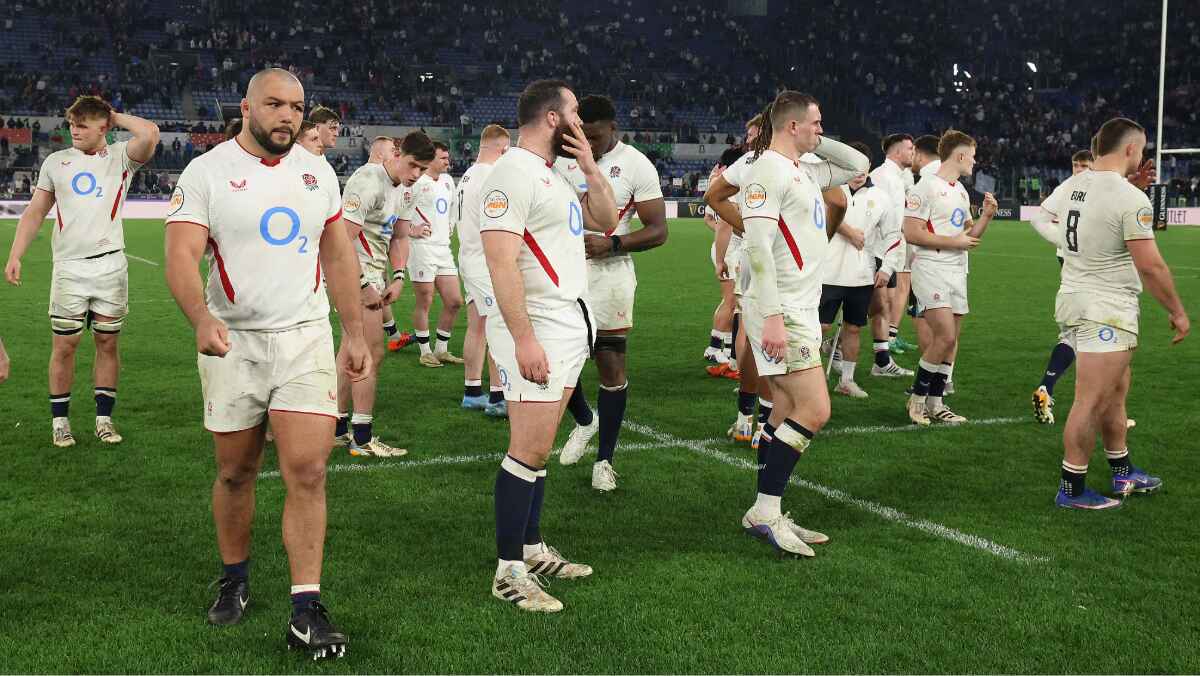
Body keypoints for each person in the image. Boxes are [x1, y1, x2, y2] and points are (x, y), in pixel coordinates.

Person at [163, 68, 367, 658]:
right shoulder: (207, 173)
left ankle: (306, 607)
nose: (286, 116)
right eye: (274, 104)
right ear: (247, 105)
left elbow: (338, 254)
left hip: (304, 338)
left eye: (296, 106)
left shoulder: (317, 172)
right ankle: (235, 577)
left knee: (308, 470)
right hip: (235, 342)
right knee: (235, 472)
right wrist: (201, 318)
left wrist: (354, 330)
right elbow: (180, 254)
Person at [480, 79, 616, 612]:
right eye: (576, 113)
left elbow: (605, 221)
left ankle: (531, 549)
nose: (583, 122)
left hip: (565, 323)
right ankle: (508, 571)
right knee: (528, 450)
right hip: (535, 326)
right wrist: (524, 339)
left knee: (538, 453)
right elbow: (500, 261)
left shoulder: (552, 174)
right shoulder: (511, 174)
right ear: (554, 119)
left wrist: (589, 166)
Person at [1029, 119, 1186, 509]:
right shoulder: (1129, 198)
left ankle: (1123, 471)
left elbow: (1052, 216)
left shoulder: (1074, 183)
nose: (1144, 157)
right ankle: (1072, 490)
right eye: (1143, 150)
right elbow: (1151, 267)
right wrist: (1178, 311)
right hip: (1106, 310)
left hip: (1075, 298)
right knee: (1091, 400)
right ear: (1130, 150)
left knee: (1115, 395)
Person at [730, 91, 850, 557]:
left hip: (797, 306)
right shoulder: (765, 171)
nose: (821, 131)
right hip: (781, 309)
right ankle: (765, 509)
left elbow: (857, 161)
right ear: (792, 125)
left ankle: (767, 510)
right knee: (815, 409)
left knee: (781, 409)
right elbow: (757, 245)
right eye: (816, 124)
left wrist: (815, 143)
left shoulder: (802, 168)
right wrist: (776, 318)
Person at [4, 95, 159, 446]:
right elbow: (35, 211)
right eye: (71, 124)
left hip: (110, 266)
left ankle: (104, 419)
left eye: (83, 125)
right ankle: (60, 421)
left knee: (107, 341)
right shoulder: (57, 162)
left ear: (103, 127)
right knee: (65, 344)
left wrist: (115, 115)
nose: (74, 130)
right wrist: (16, 254)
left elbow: (150, 133)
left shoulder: (121, 157)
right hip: (69, 268)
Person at [554, 95, 669, 492]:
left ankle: (605, 459)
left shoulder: (636, 164)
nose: (591, 143)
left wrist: (615, 245)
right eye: (583, 135)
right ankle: (585, 422)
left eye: (598, 136)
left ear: (613, 129)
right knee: (559, 365)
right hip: (563, 274)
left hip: (610, 278)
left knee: (610, 368)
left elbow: (658, 230)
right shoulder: (561, 157)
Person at [1031, 146, 1155, 425]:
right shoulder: (1080, 185)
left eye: (1085, 165)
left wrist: (1130, 183)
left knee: (1075, 334)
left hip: (1074, 271)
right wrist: (1062, 239)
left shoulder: (1077, 187)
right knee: (1105, 337)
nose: (1081, 170)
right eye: (1077, 165)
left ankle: (1046, 388)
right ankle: (1105, 412)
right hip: (1094, 274)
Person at [335, 131, 435, 457]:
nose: (417, 174)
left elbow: (401, 237)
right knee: (371, 351)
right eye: (413, 165)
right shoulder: (367, 181)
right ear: (396, 153)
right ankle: (361, 437)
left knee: (352, 350)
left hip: (375, 277)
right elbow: (342, 240)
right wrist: (363, 284)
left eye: (423, 168)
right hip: (354, 276)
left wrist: (399, 276)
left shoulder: (408, 190)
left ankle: (336, 427)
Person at [902, 130, 997, 425]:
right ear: (959, 155)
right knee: (943, 335)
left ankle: (936, 403)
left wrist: (986, 217)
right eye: (972, 155)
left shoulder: (960, 191)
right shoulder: (925, 188)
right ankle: (916, 401)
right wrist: (955, 242)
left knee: (951, 339)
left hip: (956, 269)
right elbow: (911, 232)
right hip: (931, 266)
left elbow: (969, 236)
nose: (975, 161)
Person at [456, 124, 512, 418]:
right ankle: (498, 397)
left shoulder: (466, 175)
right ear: (503, 149)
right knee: (498, 326)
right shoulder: (493, 176)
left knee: (477, 325)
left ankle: (472, 391)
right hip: (484, 261)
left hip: (468, 257)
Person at [403, 142, 464, 367]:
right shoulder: (416, 182)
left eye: (448, 158)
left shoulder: (448, 181)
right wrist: (412, 231)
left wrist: (450, 225)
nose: (448, 162)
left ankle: (441, 350)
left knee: (455, 301)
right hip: (421, 248)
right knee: (425, 299)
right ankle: (425, 351)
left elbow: (453, 208)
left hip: (443, 248)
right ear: (431, 160)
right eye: (443, 158)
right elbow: (397, 211)